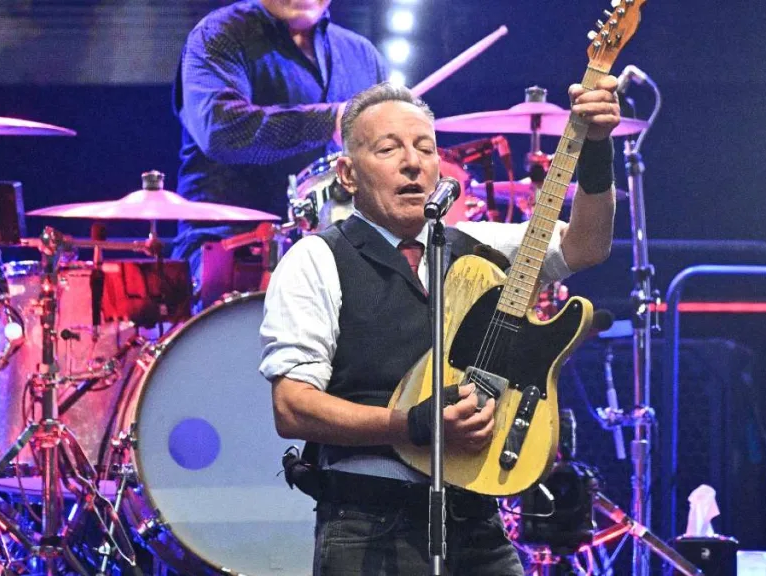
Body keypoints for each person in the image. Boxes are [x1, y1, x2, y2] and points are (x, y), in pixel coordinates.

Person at [259, 78, 620, 575]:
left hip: (476, 519)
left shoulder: (475, 243)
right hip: (369, 522)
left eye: (424, 148)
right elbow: (292, 407)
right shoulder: (316, 259)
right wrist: (412, 426)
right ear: (347, 174)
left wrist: (597, 150)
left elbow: (586, 247)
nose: (412, 162)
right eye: (388, 149)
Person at [171, 0, 389, 277]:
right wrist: (330, 120)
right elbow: (220, 131)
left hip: (338, 253)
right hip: (232, 251)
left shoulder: (363, 56)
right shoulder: (218, 35)